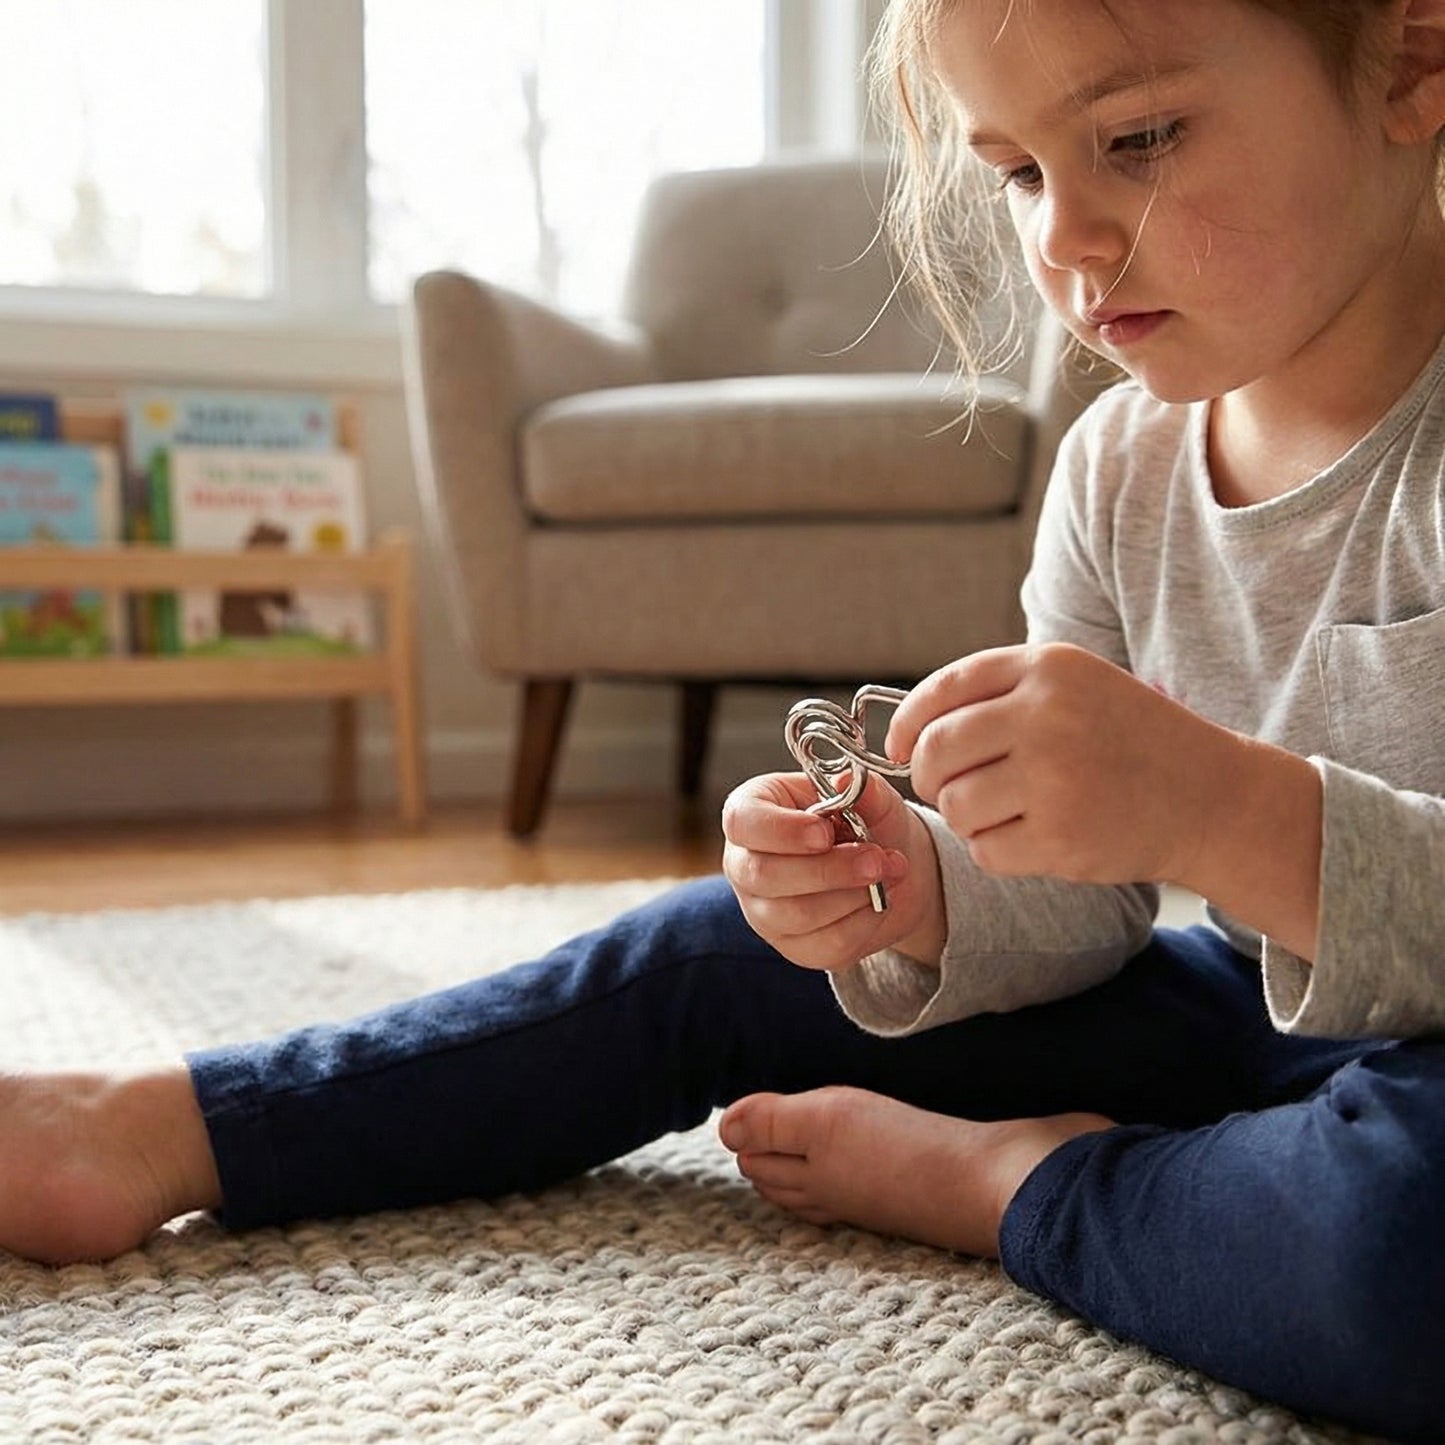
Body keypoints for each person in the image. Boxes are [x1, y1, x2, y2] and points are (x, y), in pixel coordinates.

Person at [3, 0, 1443, 1438]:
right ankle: (167, 1126)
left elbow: (1219, 846)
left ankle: (1008, 1182)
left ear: (1412, 62)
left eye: (1135, 139)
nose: (1061, 239)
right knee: (708, 955)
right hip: (1256, 1021)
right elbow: (1091, 910)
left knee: (1403, 1246)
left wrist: (1222, 810)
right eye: (1016, 173)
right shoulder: (1114, 469)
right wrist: (924, 885)